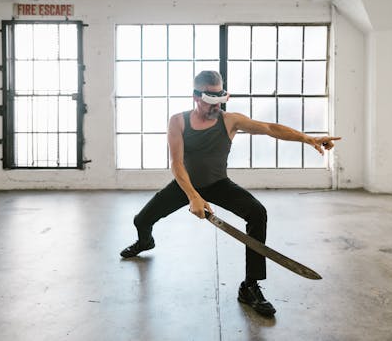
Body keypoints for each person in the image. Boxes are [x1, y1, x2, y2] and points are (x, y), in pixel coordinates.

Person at [120, 70, 341, 317]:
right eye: (210, 100)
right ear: (196, 96)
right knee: (140, 220)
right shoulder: (178, 121)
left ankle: (250, 286)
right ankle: (145, 241)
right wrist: (193, 195)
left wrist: (309, 139)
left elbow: (270, 128)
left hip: (218, 184)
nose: (216, 106)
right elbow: (177, 163)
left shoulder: (229, 120)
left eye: (220, 98)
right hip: (185, 185)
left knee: (257, 213)